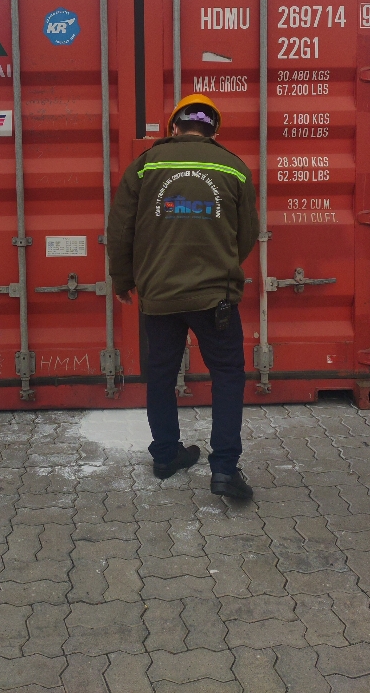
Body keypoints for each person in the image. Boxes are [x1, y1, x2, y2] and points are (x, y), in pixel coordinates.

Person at [107, 94, 259, 498]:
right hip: (216, 299)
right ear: (213, 131)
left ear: (173, 127)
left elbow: (120, 229)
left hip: (159, 295)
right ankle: (224, 470)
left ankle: (165, 455)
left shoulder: (145, 166)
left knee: (160, 375)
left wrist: (123, 280)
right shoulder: (234, 167)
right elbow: (246, 236)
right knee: (227, 375)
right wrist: (221, 265)